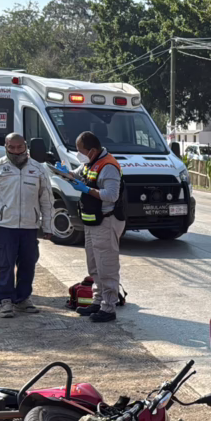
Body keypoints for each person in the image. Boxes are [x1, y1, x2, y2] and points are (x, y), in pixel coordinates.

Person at [0, 133, 54, 318]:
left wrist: (48, 226)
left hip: (29, 227)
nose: (16, 151)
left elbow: (47, 200)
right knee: (5, 264)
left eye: (19, 147)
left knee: (28, 264)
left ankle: (22, 299)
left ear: (26, 146)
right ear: (5, 147)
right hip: (5, 226)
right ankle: (5, 301)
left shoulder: (38, 169)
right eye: (11, 148)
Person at [72, 131, 124, 323]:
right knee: (94, 264)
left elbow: (111, 195)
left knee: (106, 266)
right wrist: (62, 172)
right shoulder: (90, 163)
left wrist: (87, 190)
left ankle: (109, 308)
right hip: (92, 221)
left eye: (80, 150)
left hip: (106, 220)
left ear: (92, 151)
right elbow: (76, 175)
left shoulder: (108, 166)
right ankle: (98, 300)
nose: (79, 154)